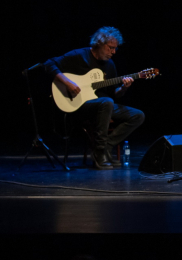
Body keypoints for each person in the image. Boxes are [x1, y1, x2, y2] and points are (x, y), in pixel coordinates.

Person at [44, 27, 145, 169]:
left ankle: (105, 146)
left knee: (138, 115)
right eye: (110, 48)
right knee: (107, 102)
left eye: (115, 48)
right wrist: (68, 83)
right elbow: (49, 64)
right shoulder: (80, 55)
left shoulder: (110, 65)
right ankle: (100, 153)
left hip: (103, 106)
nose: (113, 52)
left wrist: (124, 88)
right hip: (79, 106)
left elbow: (113, 94)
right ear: (99, 43)